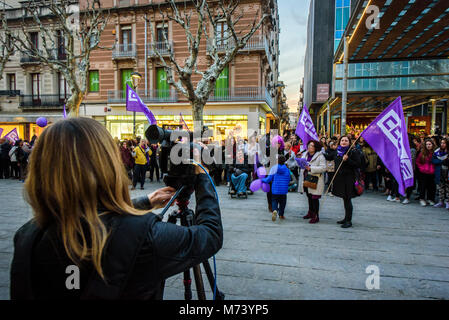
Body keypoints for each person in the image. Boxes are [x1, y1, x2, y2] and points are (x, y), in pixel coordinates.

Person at [10, 117, 223, 300]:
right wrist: (202, 175)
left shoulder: (27, 236)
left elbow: (93, 214)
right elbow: (209, 235)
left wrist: (143, 202)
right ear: (107, 164)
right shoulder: (145, 238)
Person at [330, 135, 361, 228]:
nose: (344, 142)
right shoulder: (337, 151)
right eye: (342, 140)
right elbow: (331, 158)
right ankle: (345, 218)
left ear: (349, 142)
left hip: (349, 179)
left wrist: (348, 160)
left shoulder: (352, 152)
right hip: (340, 179)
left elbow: (358, 164)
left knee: (348, 199)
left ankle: (348, 220)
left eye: (346, 141)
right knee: (344, 198)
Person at [299, 140, 326, 224]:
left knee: (314, 198)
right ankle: (310, 212)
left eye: (312, 146)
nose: (310, 147)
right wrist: (299, 160)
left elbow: (323, 168)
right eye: (309, 145)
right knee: (309, 196)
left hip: (315, 179)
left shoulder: (320, 156)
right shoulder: (305, 154)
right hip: (306, 178)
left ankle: (316, 215)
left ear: (316, 148)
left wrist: (311, 168)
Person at [262, 155, 291, 221]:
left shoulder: (274, 168)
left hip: (275, 189)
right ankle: (281, 215)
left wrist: (262, 180)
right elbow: (289, 179)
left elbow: (269, 179)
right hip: (284, 190)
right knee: (283, 203)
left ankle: (274, 210)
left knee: (274, 201)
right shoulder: (287, 169)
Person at [416, 139, 436, 207]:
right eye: (427, 144)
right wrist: (422, 169)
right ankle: (422, 199)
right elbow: (418, 162)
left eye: (429, 144)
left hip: (432, 173)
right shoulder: (422, 153)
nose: (428, 145)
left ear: (432, 145)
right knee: (423, 186)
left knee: (431, 187)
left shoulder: (435, 153)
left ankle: (430, 199)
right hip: (423, 172)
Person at [432, 138, 449, 208]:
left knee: (448, 187)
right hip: (439, 171)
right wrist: (441, 161)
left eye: (444, 143)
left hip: (447, 172)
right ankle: (441, 201)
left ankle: (448, 202)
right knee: (440, 187)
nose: (442, 144)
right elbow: (433, 160)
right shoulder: (437, 151)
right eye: (441, 143)